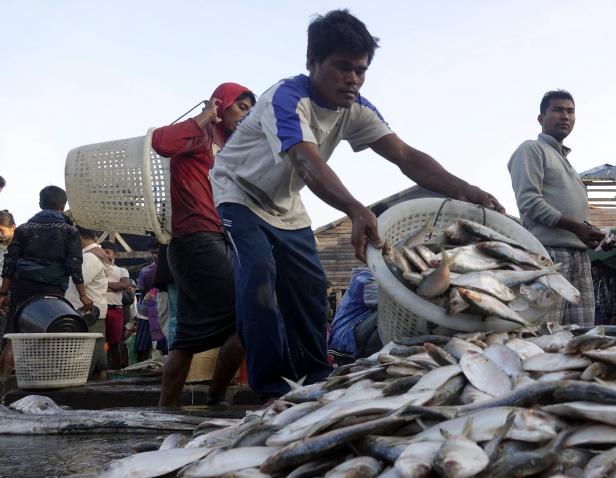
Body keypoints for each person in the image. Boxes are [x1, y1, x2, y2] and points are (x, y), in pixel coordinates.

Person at [211, 9, 504, 399]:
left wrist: (463, 188)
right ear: (313, 62)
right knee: (260, 277)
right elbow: (305, 160)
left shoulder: (356, 108)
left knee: (312, 286)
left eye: (361, 70)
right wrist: (355, 208)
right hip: (239, 193)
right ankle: (268, 387)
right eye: (343, 67)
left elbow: (404, 155)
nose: (353, 79)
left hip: (285, 202)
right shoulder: (287, 98)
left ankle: (315, 375)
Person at [151, 82, 255, 407]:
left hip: (206, 241)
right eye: (241, 106)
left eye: (251, 110)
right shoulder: (200, 134)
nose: (247, 114)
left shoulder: (228, 148)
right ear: (221, 105)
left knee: (186, 339)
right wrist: (204, 117)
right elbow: (160, 141)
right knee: (249, 316)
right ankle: (216, 398)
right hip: (197, 239)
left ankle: (166, 408)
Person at [508, 90, 616, 327]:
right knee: (545, 331)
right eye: (557, 110)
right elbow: (529, 202)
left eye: (570, 111)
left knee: (581, 333)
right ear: (541, 118)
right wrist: (577, 228)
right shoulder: (531, 149)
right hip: (548, 254)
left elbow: (576, 219)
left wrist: (597, 237)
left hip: (580, 257)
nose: (565, 116)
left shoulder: (567, 162)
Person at [0, 186, 91, 323]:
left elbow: (10, 262)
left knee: (18, 329)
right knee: (49, 327)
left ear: (40, 204)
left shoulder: (23, 229)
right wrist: (83, 295)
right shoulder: (70, 231)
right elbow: (74, 265)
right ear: (62, 206)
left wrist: (3, 293)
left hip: (22, 290)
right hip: (53, 292)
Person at [64, 226, 110, 378]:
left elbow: (80, 281)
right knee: (96, 356)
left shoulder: (91, 257)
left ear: (79, 238)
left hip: (88, 313)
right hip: (91, 311)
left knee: (86, 358)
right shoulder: (94, 254)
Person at [100, 241, 129, 370]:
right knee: (100, 343)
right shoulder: (98, 268)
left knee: (115, 343)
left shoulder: (122, 270)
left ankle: (116, 371)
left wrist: (103, 285)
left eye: (108, 252)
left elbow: (123, 285)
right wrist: (115, 287)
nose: (105, 255)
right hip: (100, 310)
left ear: (115, 254)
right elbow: (118, 286)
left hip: (116, 310)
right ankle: (101, 371)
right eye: (102, 252)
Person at [0, 210, 15, 355]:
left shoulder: (21, 249)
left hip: (11, 296)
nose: (0, 234)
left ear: (13, 227)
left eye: (2, 230)